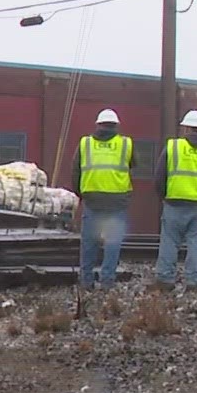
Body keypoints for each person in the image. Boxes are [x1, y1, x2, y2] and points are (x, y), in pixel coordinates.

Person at [153, 109, 197, 292]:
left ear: (186, 129)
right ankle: (193, 282)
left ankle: (165, 280)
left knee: (169, 241)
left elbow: (159, 176)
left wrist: (164, 196)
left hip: (175, 202)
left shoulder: (173, 147)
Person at [72, 108, 134, 290]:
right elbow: (134, 165)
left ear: (98, 125)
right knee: (112, 242)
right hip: (117, 201)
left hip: (92, 199)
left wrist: (80, 193)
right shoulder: (126, 144)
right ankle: (107, 281)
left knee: (89, 242)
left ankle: (86, 281)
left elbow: (75, 170)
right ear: (116, 126)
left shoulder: (85, 143)